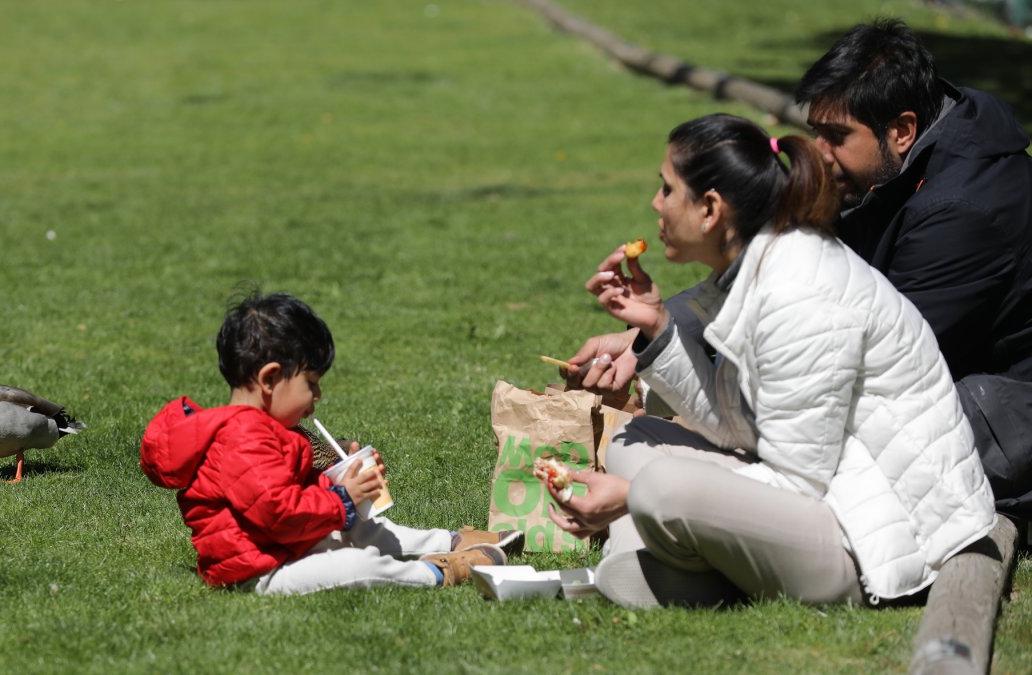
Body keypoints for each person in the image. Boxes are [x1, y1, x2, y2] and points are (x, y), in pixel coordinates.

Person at [571, 19, 1032, 521]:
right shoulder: (888, 169)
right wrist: (655, 335)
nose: (820, 154)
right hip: (927, 390)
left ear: (902, 130)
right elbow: (771, 270)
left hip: (994, 412)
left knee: (796, 441)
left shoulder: (963, 209)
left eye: (837, 136)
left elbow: (864, 367)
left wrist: (672, 382)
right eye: (816, 131)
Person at [550, 114, 996, 608]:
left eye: (668, 189)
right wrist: (656, 327)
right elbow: (735, 427)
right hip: (828, 494)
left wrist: (631, 498)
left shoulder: (799, 294)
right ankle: (673, 564)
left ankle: (666, 562)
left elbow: (798, 482)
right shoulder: (759, 267)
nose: (656, 203)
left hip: (871, 540)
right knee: (633, 441)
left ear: (710, 209)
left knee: (657, 485)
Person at [140, 290, 520, 595]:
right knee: (354, 564)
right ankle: (437, 572)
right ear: (270, 379)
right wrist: (343, 499)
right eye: (311, 383)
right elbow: (279, 515)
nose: (317, 396)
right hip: (259, 569)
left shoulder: (263, 428)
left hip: (283, 546)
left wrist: (342, 480)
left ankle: (450, 541)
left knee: (360, 530)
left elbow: (287, 494)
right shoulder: (243, 438)